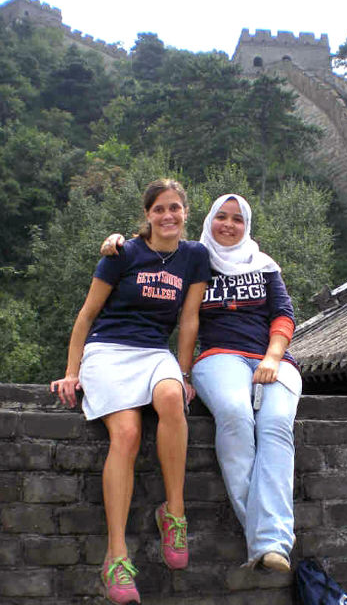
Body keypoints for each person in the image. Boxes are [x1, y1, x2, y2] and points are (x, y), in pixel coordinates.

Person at [101, 194, 302, 574]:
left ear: (247, 225)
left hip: (273, 360)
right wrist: (117, 243)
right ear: (209, 220)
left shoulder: (265, 265)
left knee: (276, 426)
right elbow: (153, 248)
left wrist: (274, 357)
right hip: (219, 357)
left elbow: (283, 315)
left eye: (237, 219)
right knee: (235, 415)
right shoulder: (196, 259)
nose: (228, 225)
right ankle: (267, 539)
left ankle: (269, 542)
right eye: (221, 217)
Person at [51, 178, 211, 605]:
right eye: (160, 209)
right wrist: (71, 371)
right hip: (108, 350)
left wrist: (184, 371)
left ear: (185, 211)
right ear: (148, 215)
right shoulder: (122, 252)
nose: (168, 216)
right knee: (126, 435)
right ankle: (116, 556)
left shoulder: (194, 256)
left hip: (153, 353)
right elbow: (87, 315)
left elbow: (190, 319)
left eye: (175, 207)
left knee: (173, 397)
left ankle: (173, 513)